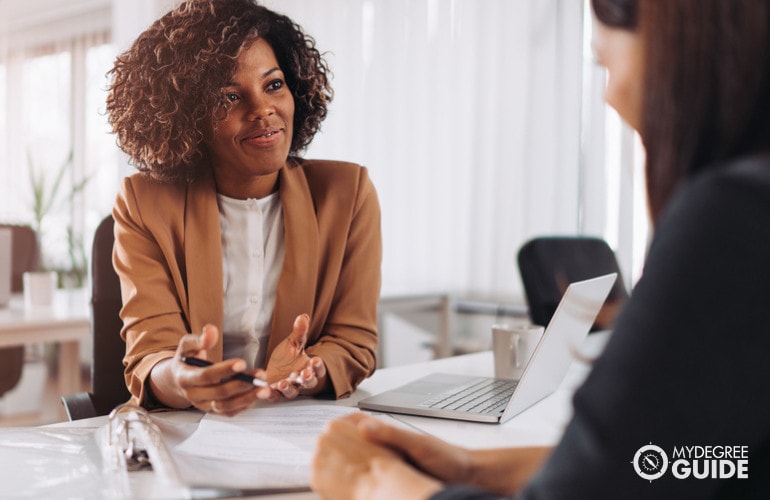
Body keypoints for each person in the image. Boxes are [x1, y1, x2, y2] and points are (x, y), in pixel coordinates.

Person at [311, 0, 770, 498]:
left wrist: (371, 481)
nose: (610, 95)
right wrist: (471, 469)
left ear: (678, 49)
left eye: (603, 63)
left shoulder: (734, 216)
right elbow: (711, 464)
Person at [106, 0, 381, 416]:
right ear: (188, 117)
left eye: (273, 85)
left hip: (300, 428)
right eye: (230, 96)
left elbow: (353, 341)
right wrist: (184, 381)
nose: (263, 110)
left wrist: (312, 371)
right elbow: (151, 354)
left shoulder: (347, 193)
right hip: (186, 431)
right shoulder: (144, 203)